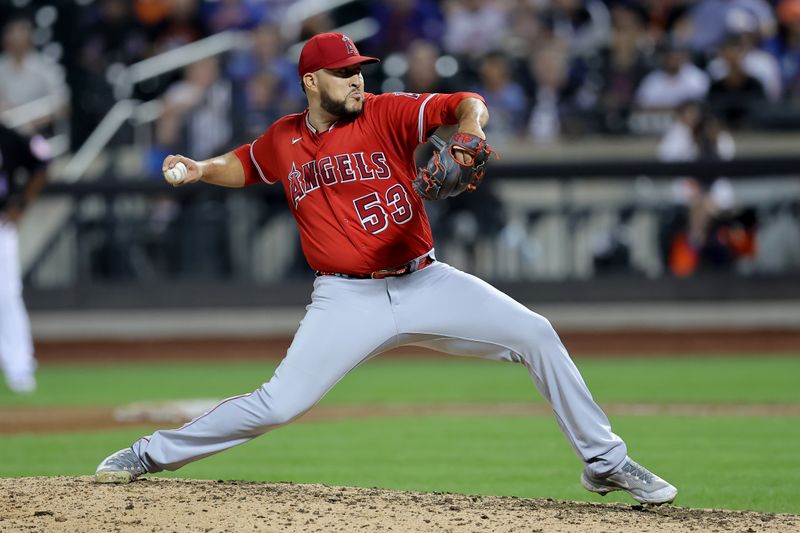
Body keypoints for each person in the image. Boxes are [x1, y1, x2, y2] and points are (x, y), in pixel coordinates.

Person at [95, 32, 678, 505]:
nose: (356, 79)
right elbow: (244, 163)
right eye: (344, 71)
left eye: (360, 69)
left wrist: (471, 130)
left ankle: (606, 463)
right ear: (310, 82)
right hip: (345, 301)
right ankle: (150, 454)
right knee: (278, 404)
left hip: (425, 280)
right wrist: (199, 168)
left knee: (535, 332)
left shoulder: (387, 114)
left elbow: (463, 103)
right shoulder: (285, 139)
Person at [0, 124, 48, 393]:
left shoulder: (7, 136)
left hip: (1, 226)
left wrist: (22, 205)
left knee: (7, 295)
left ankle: (19, 367)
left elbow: (41, 161)